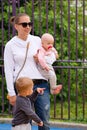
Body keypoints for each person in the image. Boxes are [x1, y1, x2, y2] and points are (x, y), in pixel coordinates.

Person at [4, 13, 50, 130]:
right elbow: (8, 70)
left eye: (30, 24)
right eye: (24, 24)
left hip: (40, 84)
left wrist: (40, 59)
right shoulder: (10, 45)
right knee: (24, 122)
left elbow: (49, 56)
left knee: (44, 120)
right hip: (23, 86)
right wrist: (12, 93)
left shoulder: (37, 40)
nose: (28, 27)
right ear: (16, 26)